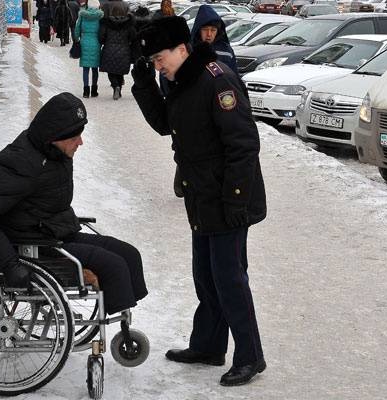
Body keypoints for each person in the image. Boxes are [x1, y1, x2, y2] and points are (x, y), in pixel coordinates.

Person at [130, 16, 267, 386]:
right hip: (201, 196)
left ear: (181, 48)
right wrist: (143, 84)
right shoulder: (182, 81)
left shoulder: (216, 79)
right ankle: (208, 345)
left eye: (160, 59)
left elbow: (243, 145)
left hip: (227, 198)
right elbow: (164, 123)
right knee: (206, 277)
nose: (159, 66)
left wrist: (235, 199)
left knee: (229, 279)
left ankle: (250, 356)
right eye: (154, 63)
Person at [0, 92, 148, 316]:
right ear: (55, 137)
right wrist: (10, 266)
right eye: (74, 137)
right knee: (113, 265)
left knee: (128, 254)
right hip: (34, 246)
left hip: (54, 232)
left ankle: (122, 313)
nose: (81, 142)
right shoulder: (24, 165)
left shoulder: (53, 152)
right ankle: (115, 320)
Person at [99, 4, 136, 100]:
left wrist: (104, 42)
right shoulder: (128, 24)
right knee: (120, 70)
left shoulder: (107, 23)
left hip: (109, 49)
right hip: (124, 50)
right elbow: (133, 37)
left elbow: (101, 37)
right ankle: (119, 87)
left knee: (111, 70)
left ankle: (116, 86)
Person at [190, 5, 237, 76]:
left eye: (213, 30)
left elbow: (234, 76)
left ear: (218, 32)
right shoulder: (190, 49)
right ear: (199, 30)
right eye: (205, 29)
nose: (209, 34)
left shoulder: (226, 50)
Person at [74, 0, 104, 98]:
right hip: (96, 42)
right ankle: (94, 90)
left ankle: (86, 91)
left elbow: (77, 27)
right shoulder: (100, 16)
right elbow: (103, 30)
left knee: (86, 68)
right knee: (95, 68)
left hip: (84, 42)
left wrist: (76, 37)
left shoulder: (82, 15)